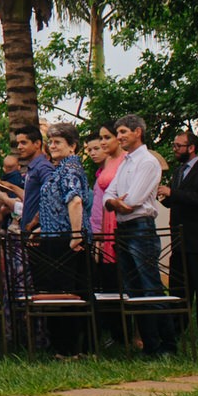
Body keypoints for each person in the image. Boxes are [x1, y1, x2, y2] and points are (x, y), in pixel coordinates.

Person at [105, 113, 176, 358]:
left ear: (138, 132)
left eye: (124, 132)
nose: (120, 137)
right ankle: (150, 345)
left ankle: (167, 345)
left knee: (150, 286)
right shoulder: (125, 163)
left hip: (141, 227)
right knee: (134, 289)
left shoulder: (147, 161)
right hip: (123, 228)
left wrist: (116, 202)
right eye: (119, 133)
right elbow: (109, 194)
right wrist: (114, 202)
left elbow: (134, 200)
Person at [33, 121, 92, 356]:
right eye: (51, 141)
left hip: (66, 241)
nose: (53, 145)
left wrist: (76, 235)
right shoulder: (61, 168)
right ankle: (63, 347)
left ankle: (69, 349)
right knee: (57, 291)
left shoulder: (70, 168)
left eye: (58, 142)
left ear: (72, 145)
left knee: (66, 293)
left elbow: (75, 200)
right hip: (54, 237)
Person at [160, 128, 198, 339]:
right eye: (174, 145)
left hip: (197, 237)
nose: (175, 149)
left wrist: (173, 193)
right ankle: (177, 326)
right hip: (178, 238)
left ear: (191, 148)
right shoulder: (178, 172)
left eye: (179, 146)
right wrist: (164, 196)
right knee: (178, 285)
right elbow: (174, 199)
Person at [87, 124, 124, 346]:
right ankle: (113, 332)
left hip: (110, 232)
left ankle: (125, 334)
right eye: (90, 148)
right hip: (98, 232)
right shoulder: (99, 172)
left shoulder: (117, 166)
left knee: (116, 283)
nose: (94, 150)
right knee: (104, 284)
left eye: (99, 145)